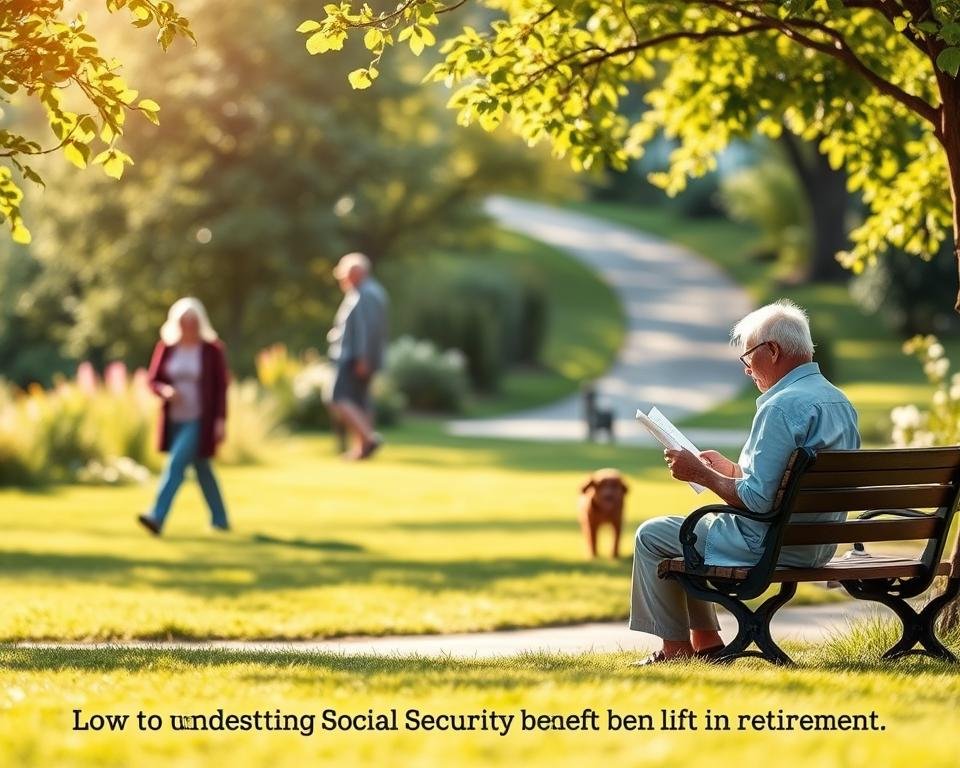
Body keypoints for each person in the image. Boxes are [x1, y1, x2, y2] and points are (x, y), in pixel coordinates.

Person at [629, 299, 860, 664]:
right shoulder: (838, 401)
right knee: (692, 533)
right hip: (817, 541)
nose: (747, 368)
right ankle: (706, 642)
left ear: (772, 350)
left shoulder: (780, 407)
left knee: (654, 535)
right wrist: (731, 470)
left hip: (769, 545)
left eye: (748, 356)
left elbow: (758, 502)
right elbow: (783, 483)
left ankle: (674, 651)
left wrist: (701, 474)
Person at [137, 297, 231, 535]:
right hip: (174, 419)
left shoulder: (212, 350)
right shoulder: (167, 347)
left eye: (192, 321)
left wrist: (221, 420)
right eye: (183, 321)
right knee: (202, 469)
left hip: (201, 418)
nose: (188, 326)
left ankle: (156, 516)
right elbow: (153, 380)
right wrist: (165, 391)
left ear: (200, 322)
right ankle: (220, 520)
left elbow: (221, 388)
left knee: (176, 464)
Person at [326, 252, 389, 460]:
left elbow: (365, 330)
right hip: (361, 358)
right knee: (360, 402)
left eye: (345, 274)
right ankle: (363, 448)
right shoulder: (370, 292)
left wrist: (363, 358)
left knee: (338, 398)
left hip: (354, 358)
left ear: (356, 273)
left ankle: (369, 438)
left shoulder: (365, 295)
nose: (343, 279)